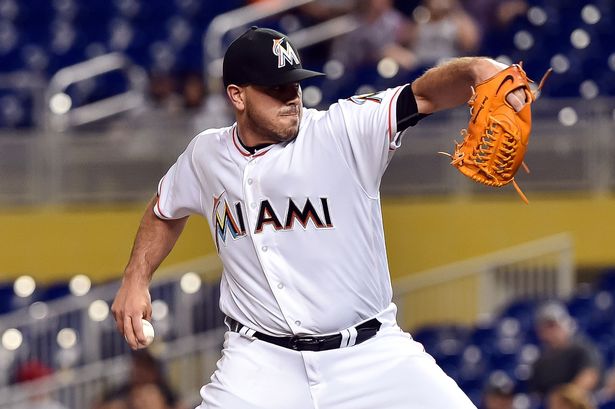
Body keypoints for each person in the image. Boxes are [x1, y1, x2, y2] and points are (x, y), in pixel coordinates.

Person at [111, 26, 528, 409]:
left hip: (370, 355)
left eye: (295, 85)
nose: (291, 97)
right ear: (237, 96)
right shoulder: (206, 155)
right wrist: (135, 278)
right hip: (260, 363)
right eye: (275, 89)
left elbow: (426, 95)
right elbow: (164, 209)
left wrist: (476, 69)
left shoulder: (343, 131)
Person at [529, 302, 602, 400]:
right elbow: (537, 392)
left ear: (565, 325)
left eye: (553, 326)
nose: (551, 331)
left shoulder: (581, 349)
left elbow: (590, 376)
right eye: (546, 326)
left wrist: (565, 399)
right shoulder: (541, 360)